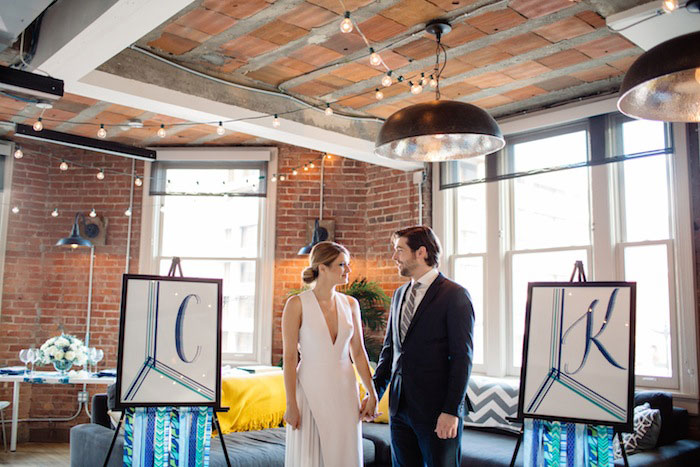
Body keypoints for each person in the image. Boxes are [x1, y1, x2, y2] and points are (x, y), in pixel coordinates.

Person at [373, 226, 475, 467]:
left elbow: (462, 358)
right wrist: (375, 394)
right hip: (399, 408)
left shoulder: (455, 295)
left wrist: (451, 411)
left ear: (421, 252)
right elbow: (390, 351)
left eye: (400, 250)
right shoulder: (399, 294)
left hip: (438, 410)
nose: (394, 257)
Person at [283, 241, 379, 466]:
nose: (348, 270)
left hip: (345, 390)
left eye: (348, 264)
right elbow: (288, 358)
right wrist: (290, 404)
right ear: (322, 268)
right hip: (309, 388)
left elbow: (359, 352)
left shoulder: (351, 304)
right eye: (342, 264)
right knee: (310, 457)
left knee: (345, 455)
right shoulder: (296, 304)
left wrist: (371, 393)